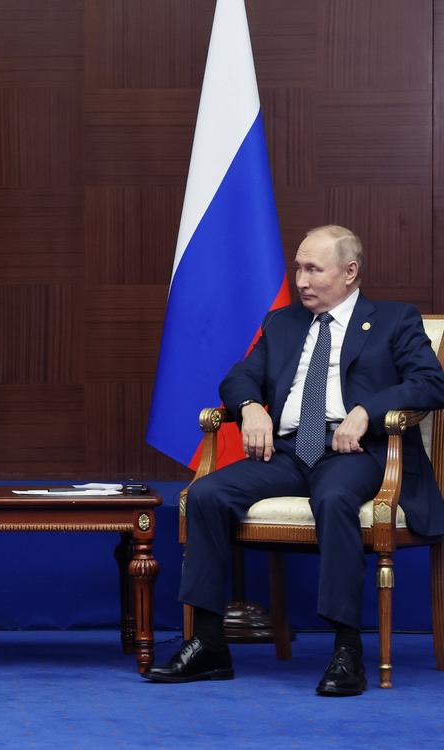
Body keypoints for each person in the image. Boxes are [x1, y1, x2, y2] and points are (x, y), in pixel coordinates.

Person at [144, 225, 444, 695]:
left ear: (350, 272)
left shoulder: (393, 320)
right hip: (287, 452)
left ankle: (347, 651)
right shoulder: (281, 323)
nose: (301, 279)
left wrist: (368, 410)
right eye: (298, 268)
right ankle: (208, 644)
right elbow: (239, 378)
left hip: (355, 452)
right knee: (206, 493)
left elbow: (430, 383)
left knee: (335, 496)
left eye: (313, 269)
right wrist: (249, 409)